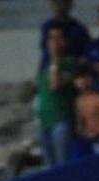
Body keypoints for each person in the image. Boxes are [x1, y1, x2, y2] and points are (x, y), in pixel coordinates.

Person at [37, 26, 79, 167]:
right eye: (51, 38)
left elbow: (56, 84)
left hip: (61, 120)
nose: (54, 41)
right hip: (45, 122)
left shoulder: (70, 63)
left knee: (62, 164)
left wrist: (55, 59)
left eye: (58, 37)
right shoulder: (45, 67)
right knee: (49, 166)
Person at [40, 0, 91, 67]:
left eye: (63, 2)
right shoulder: (46, 27)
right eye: (57, 2)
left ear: (70, 4)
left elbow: (87, 55)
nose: (60, 5)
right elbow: (45, 50)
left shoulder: (79, 29)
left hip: (72, 69)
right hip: (49, 68)